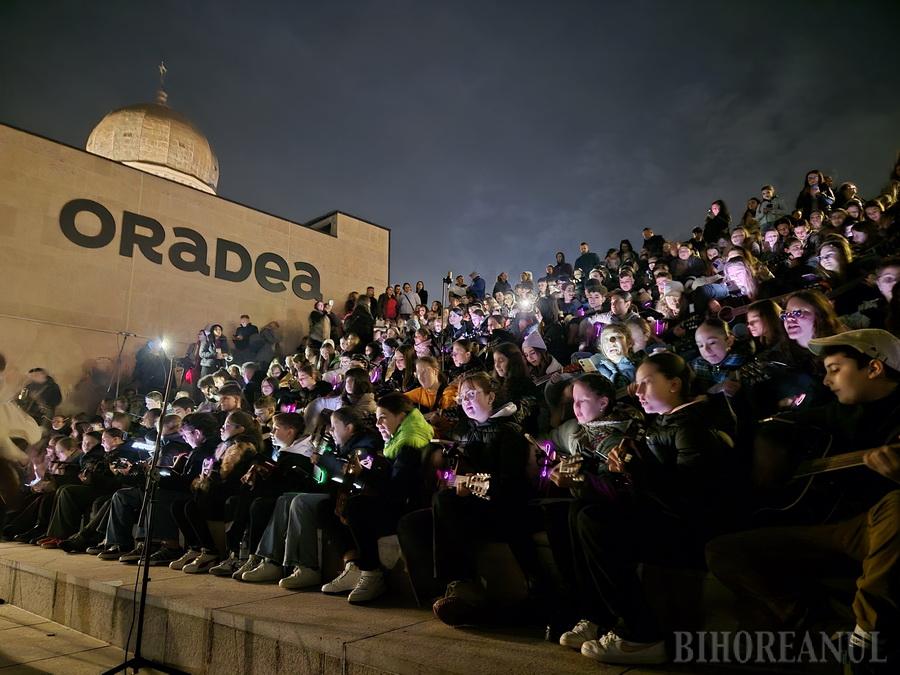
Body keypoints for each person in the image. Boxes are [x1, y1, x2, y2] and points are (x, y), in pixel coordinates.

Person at [706, 330, 900, 671]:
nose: (826, 381)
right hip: (843, 527)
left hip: (885, 527)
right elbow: (779, 423)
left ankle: (867, 638)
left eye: (835, 368)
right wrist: (771, 445)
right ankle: (822, 630)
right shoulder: (842, 411)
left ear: (873, 368)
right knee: (725, 550)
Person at [560, 352, 734, 665]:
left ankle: (640, 633)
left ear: (674, 384)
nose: (637, 392)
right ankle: (599, 616)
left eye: (646, 383)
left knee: (594, 520)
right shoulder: (662, 424)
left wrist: (636, 471)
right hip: (662, 516)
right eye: (636, 385)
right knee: (579, 508)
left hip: (687, 532)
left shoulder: (692, 427)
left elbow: (691, 498)